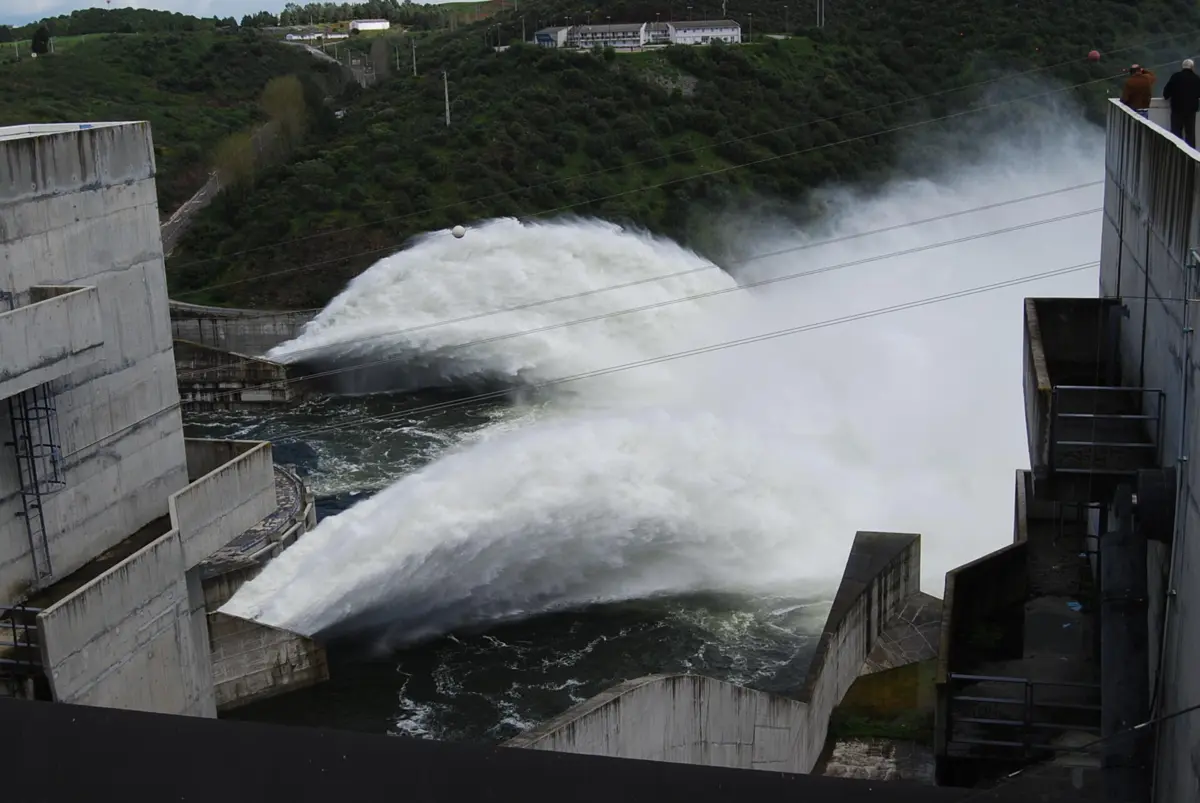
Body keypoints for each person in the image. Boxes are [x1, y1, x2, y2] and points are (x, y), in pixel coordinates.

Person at [1162, 59, 1200, 147]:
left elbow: (1166, 93)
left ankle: (1176, 152)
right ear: (1192, 67)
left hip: (1177, 108)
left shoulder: (1175, 77)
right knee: (1190, 133)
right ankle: (1191, 154)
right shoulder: (1196, 78)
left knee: (1176, 132)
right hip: (1191, 110)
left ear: (1182, 67)